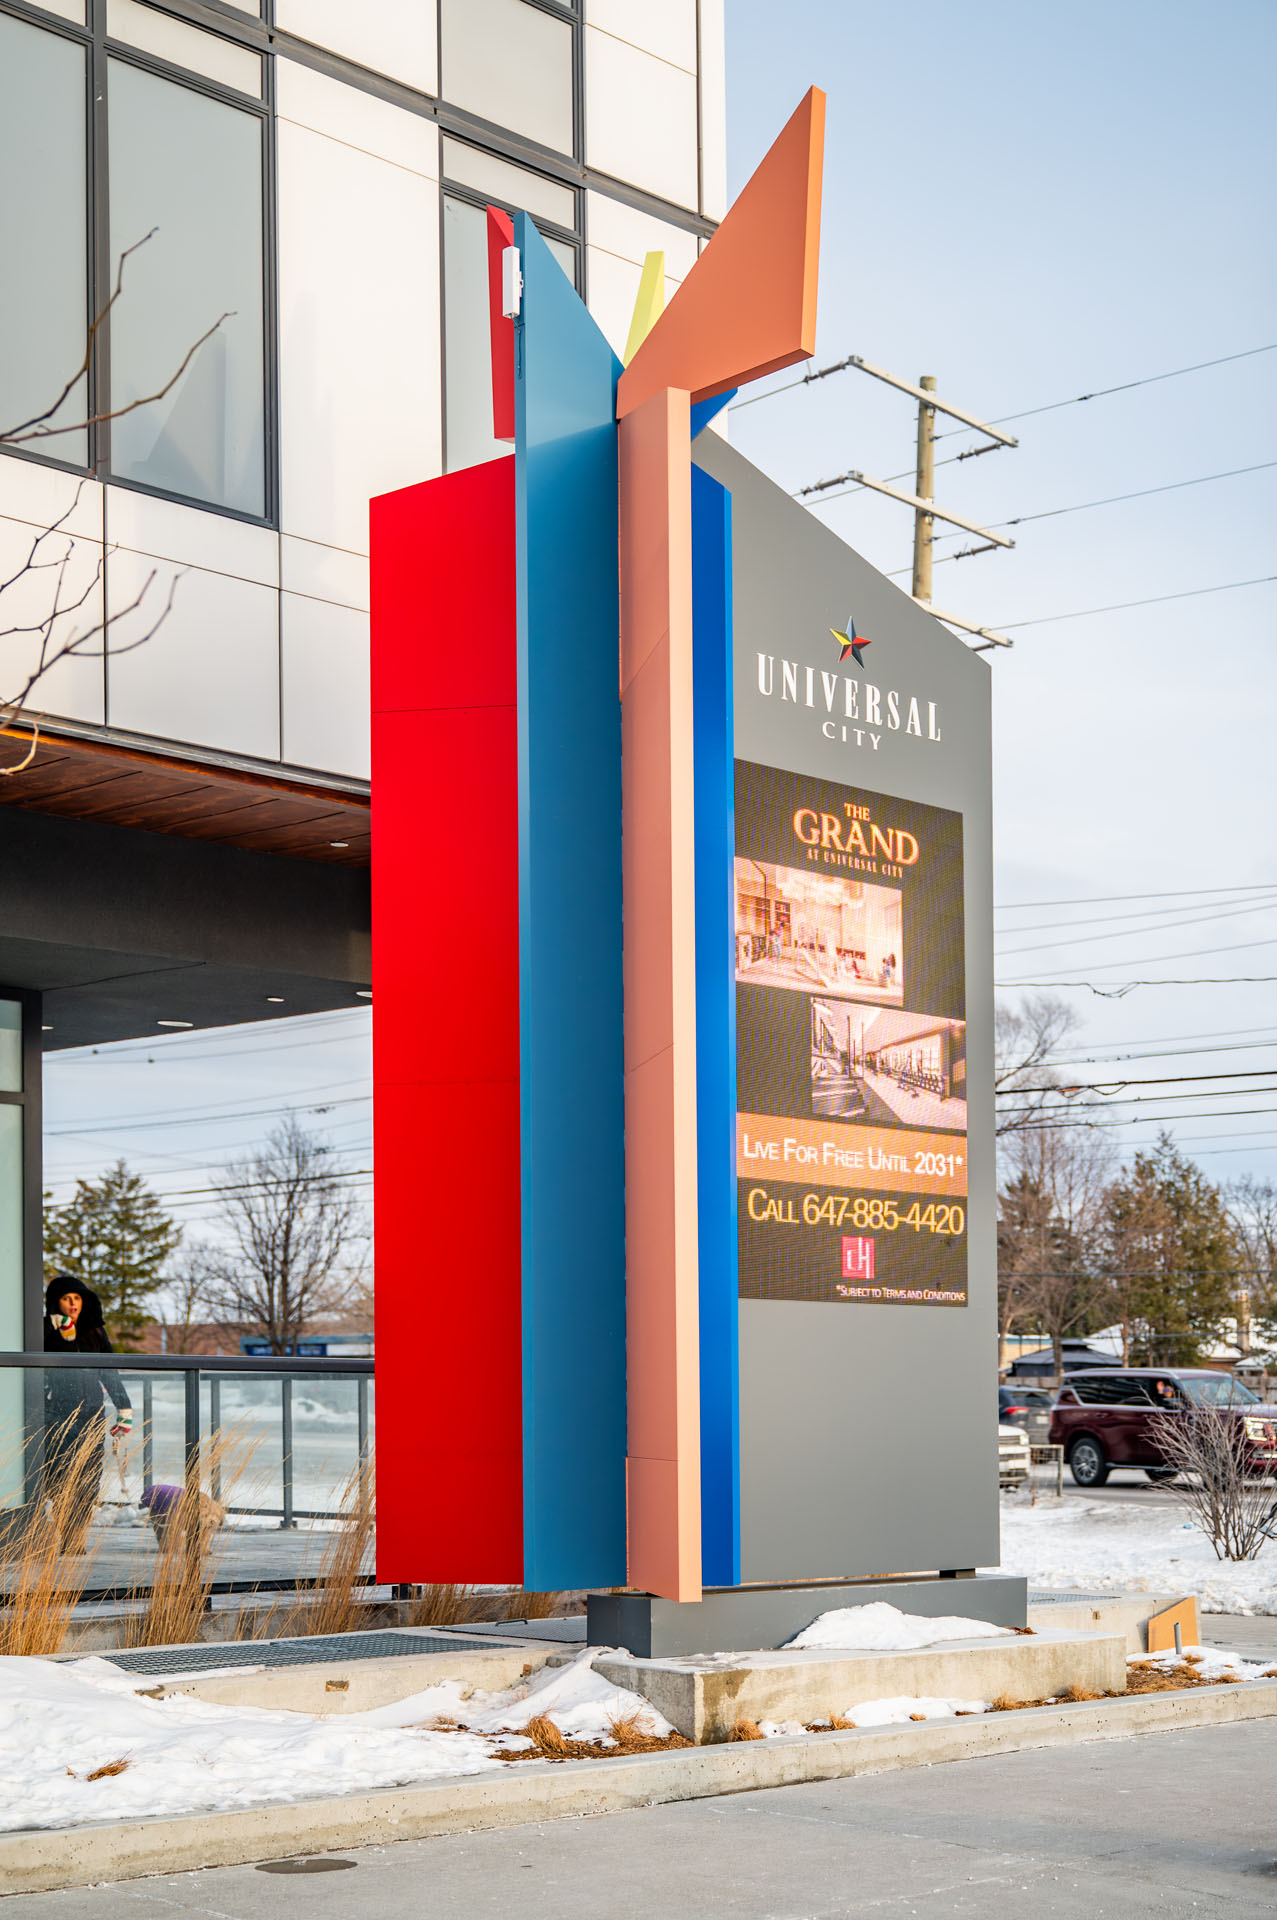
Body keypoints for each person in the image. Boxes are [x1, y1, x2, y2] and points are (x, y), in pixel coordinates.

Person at [42, 1274, 133, 1555]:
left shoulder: (95, 1332)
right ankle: (64, 1533)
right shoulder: (45, 1329)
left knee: (89, 1479)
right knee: (59, 1478)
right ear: (56, 1302)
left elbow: (109, 1372)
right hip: (57, 1415)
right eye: (66, 1298)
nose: (73, 1304)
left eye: (77, 1298)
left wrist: (124, 1409)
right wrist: (61, 1331)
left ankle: (76, 1535)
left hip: (92, 1415)